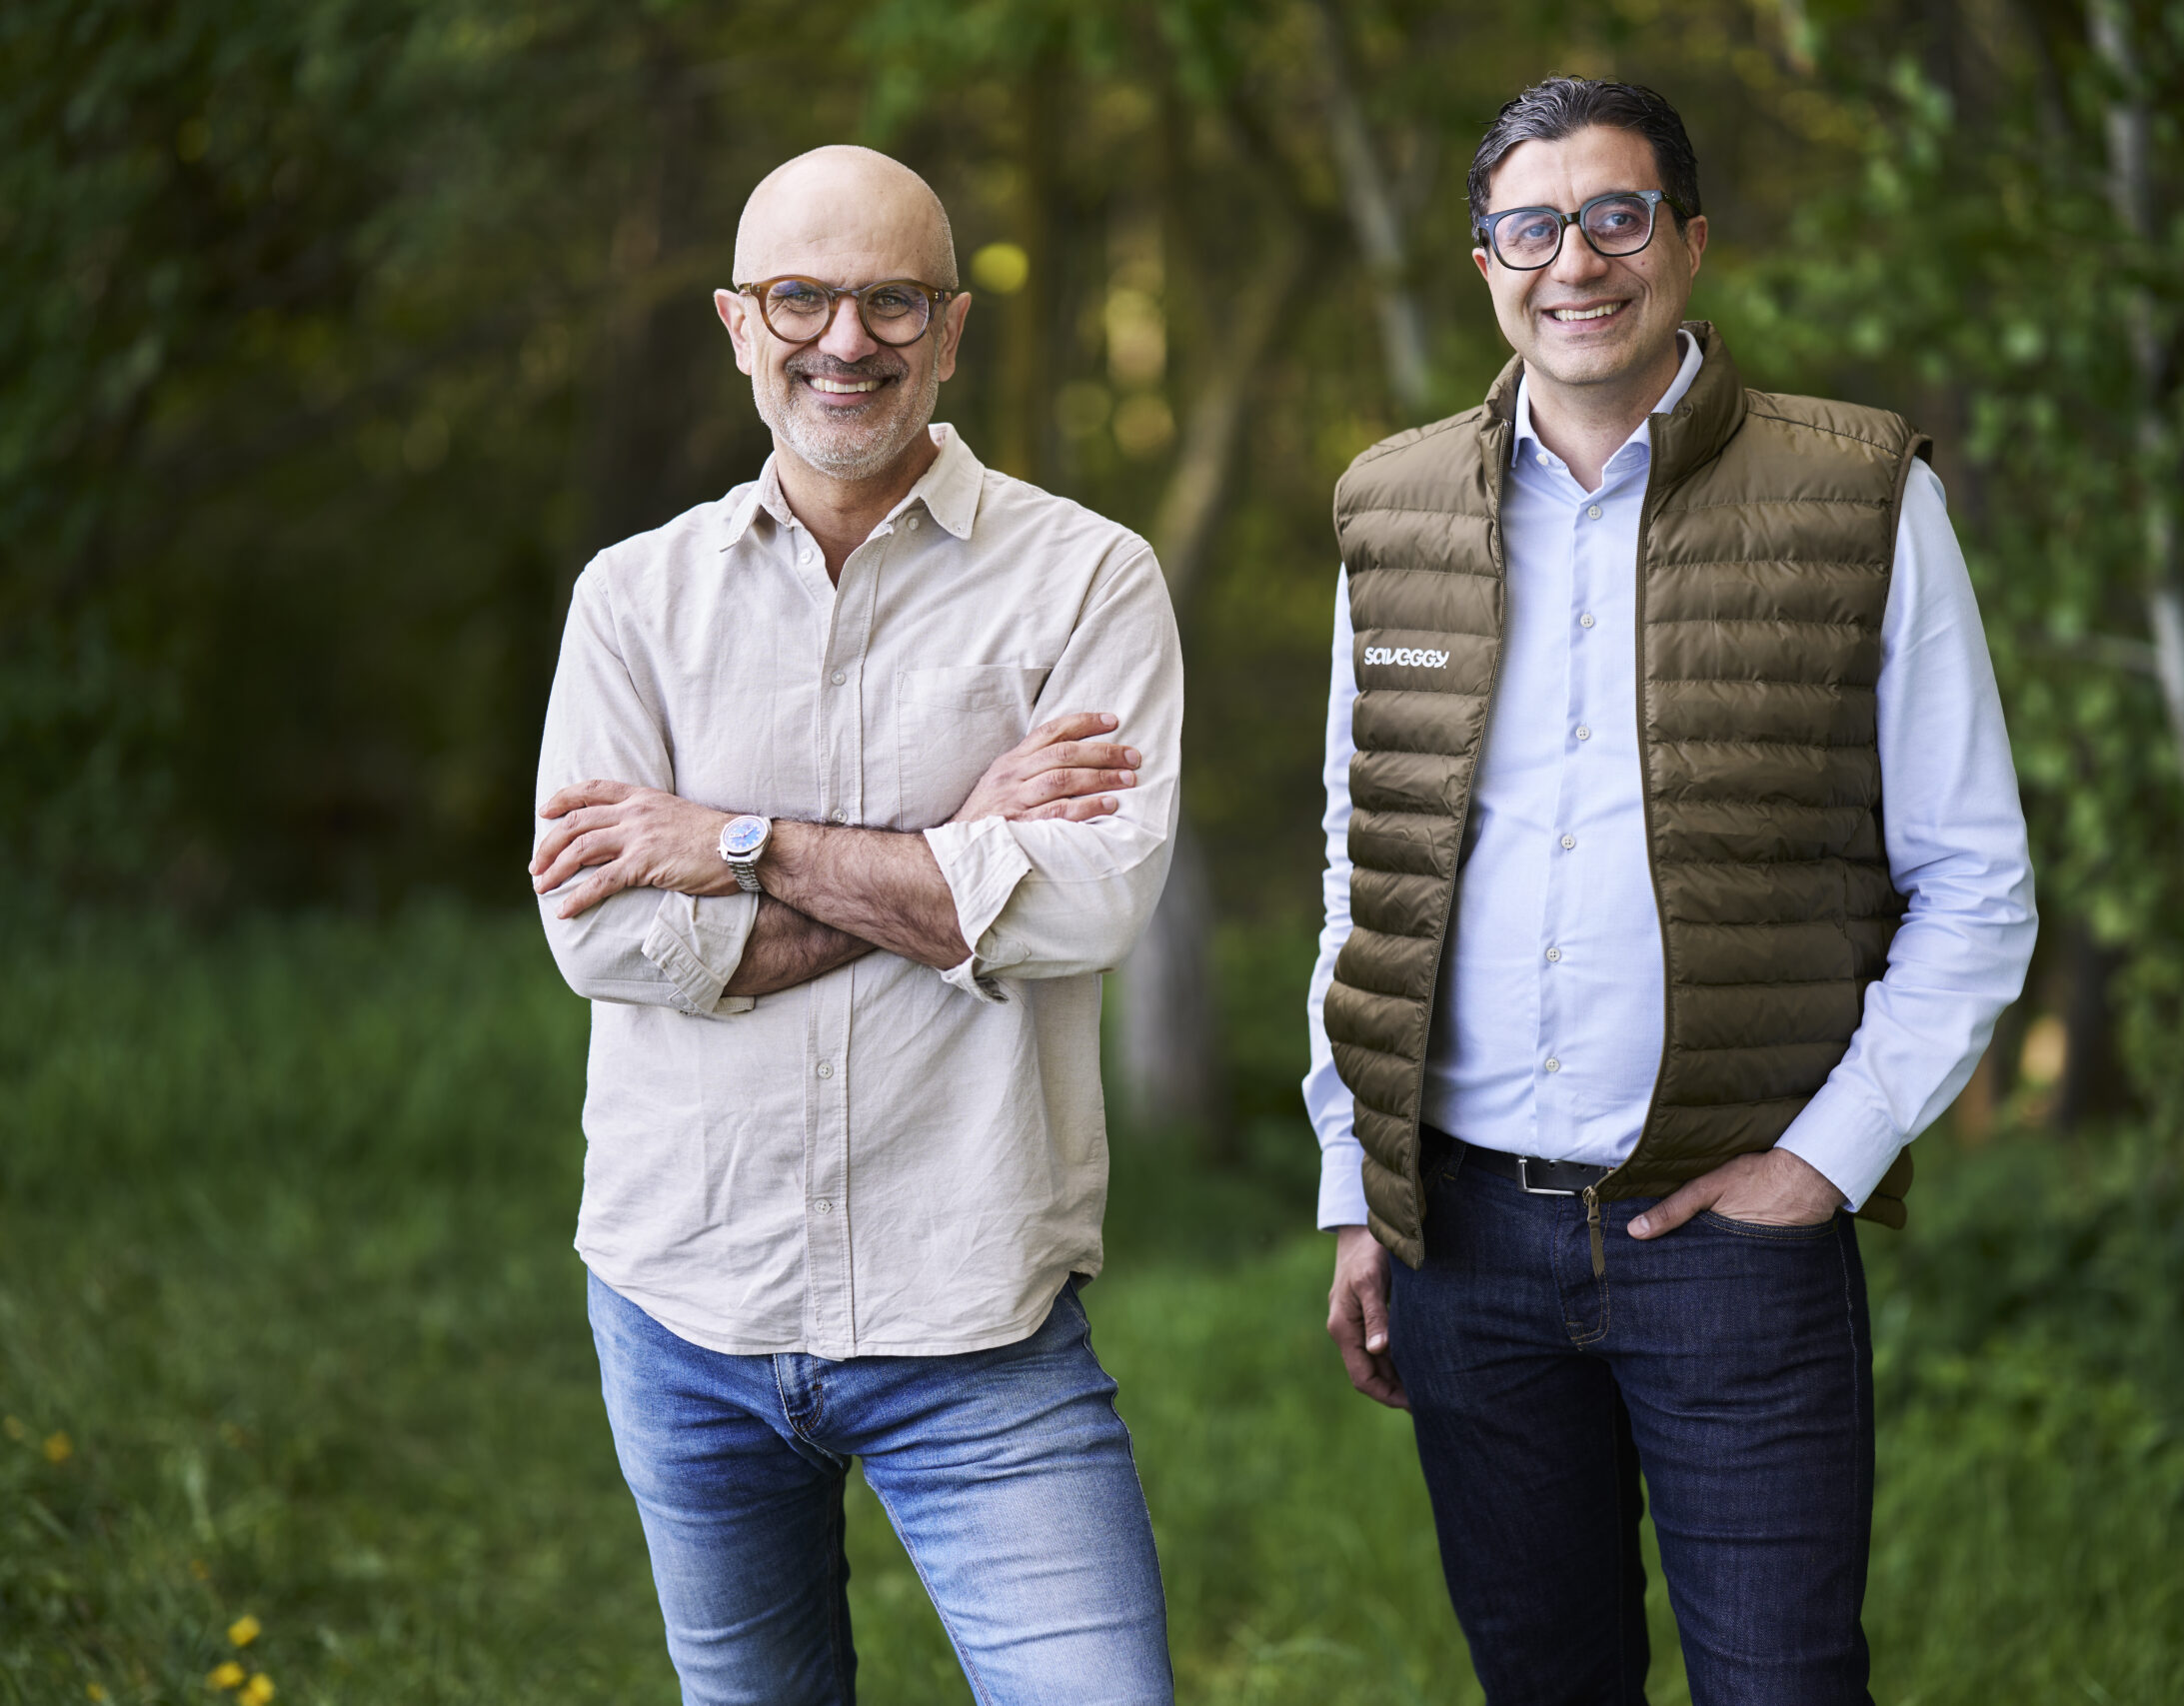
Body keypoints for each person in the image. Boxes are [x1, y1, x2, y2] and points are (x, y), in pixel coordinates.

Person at [1305, 78, 2037, 1704]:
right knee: (1544, 1680)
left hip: (1730, 1237)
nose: (1576, 260)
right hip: (1462, 1243)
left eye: (1616, 216)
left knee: (1783, 1682)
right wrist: (1361, 1183)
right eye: (1531, 227)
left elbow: (1976, 884)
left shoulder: (1861, 494)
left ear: (1690, 242)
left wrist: (1824, 1162)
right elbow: (1369, 879)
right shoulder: (1390, 510)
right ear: (1486, 263)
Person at [527, 145, 1179, 1705]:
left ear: (951, 331)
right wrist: (961, 856)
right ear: (736, 326)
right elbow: (602, 942)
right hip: (683, 1307)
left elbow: (1092, 902)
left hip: (974, 1315)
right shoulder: (633, 600)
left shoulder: (1089, 579)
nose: (845, 340)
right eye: (799, 299)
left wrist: (736, 846)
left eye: (892, 302)